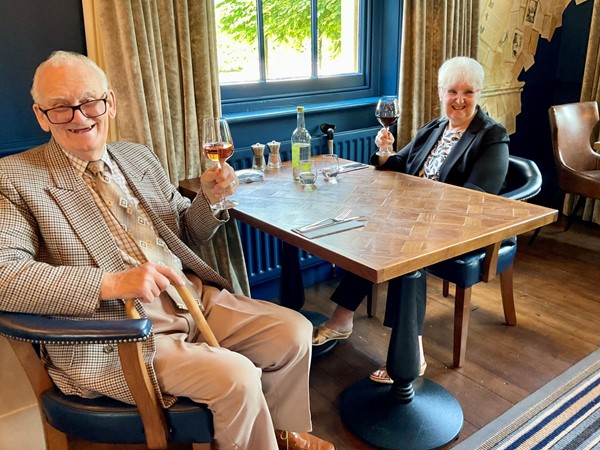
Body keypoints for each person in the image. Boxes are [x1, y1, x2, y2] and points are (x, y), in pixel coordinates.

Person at [0, 51, 334, 450]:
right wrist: (112, 283)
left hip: (192, 298)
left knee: (294, 331)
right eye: (60, 107)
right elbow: (5, 276)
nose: (79, 116)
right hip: (117, 334)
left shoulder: (137, 157)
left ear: (110, 102)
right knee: (238, 377)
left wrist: (208, 200)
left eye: (90, 101)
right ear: (41, 115)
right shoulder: (16, 179)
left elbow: (187, 231)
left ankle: (281, 433)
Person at [312, 56, 510, 384]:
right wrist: (387, 153)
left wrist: (422, 207)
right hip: (411, 217)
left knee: (403, 250)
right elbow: (402, 162)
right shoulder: (434, 127)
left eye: (468, 91)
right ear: (441, 92)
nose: (459, 99)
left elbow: (477, 196)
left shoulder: (491, 135)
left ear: (480, 94)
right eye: (452, 91)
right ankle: (342, 319)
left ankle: (411, 351)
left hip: (458, 227)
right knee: (372, 235)